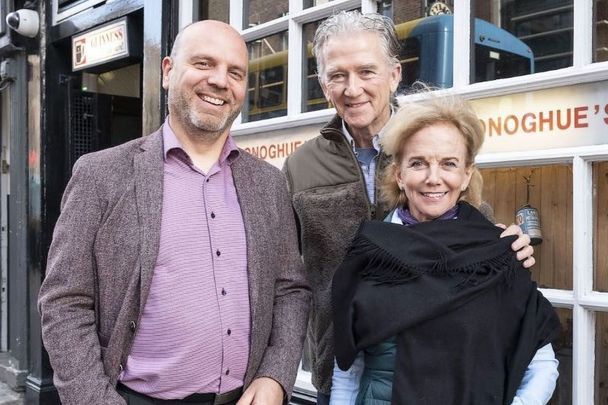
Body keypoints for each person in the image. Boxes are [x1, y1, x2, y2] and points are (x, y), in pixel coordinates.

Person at [39, 21, 310, 405]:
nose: (219, 81)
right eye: (204, 63)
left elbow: (290, 291)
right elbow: (65, 301)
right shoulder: (101, 175)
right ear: (168, 71)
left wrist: (275, 377)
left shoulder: (268, 183)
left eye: (235, 73)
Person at [282, 10, 536, 405]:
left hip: (438, 370)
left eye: (367, 71)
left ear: (395, 74)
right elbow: (288, 281)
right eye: (337, 75)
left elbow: (469, 231)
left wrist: (508, 244)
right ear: (322, 83)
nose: (353, 89)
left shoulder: (427, 146)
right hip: (341, 375)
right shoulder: (300, 168)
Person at [332, 94, 561, 405]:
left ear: (466, 175)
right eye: (418, 163)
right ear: (399, 174)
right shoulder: (368, 252)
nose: (433, 178)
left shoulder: (498, 255)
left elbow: (542, 364)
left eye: (448, 164)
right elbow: (349, 368)